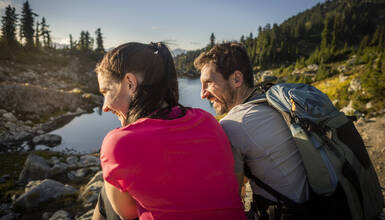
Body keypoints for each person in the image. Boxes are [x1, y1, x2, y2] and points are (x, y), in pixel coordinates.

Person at [92, 42, 246, 220]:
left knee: (107, 193)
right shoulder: (207, 120)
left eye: (106, 91)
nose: (105, 107)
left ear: (129, 83)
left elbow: (127, 213)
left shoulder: (119, 141)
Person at [194, 43, 310, 218]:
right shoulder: (271, 101)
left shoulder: (234, 124)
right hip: (316, 204)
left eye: (208, 83)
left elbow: (230, 196)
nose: (203, 94)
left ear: (236, 79)